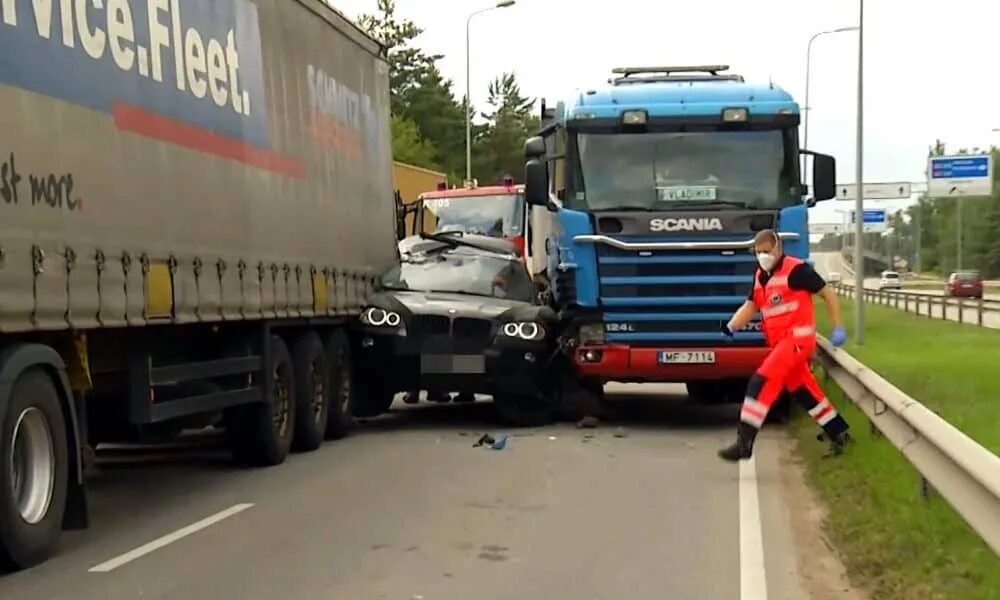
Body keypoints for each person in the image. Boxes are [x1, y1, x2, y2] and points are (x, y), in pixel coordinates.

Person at [717, 229, 851, 462]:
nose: (763, 256)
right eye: (758, 252)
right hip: (782, 346)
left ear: (778, 249)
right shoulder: (760, 276)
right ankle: (839, 433)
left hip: (797, 342)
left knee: (761, 382)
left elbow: (827, 293)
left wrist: (838, 326)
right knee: (805, 392)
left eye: (767, 251)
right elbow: (752, 305)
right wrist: (732, 326)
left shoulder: (796, 270)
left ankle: (744, 443)